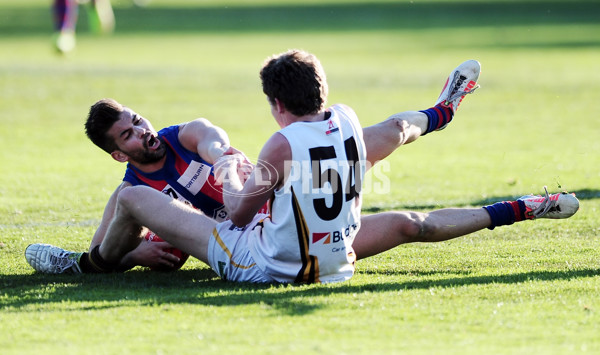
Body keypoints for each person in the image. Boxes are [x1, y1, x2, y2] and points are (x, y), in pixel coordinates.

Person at [25, 50, 579, 283]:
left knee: (130, 201)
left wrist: (236, 175)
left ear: (276, 104)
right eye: (128, 133)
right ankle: (525, 205)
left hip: (264, 259)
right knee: (415, 224)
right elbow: (394, 133)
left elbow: (240, 210)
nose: (141, 131)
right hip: (330, 257)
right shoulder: (344, 122)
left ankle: (90, 268)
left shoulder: (278, 145)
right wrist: (433, 115)